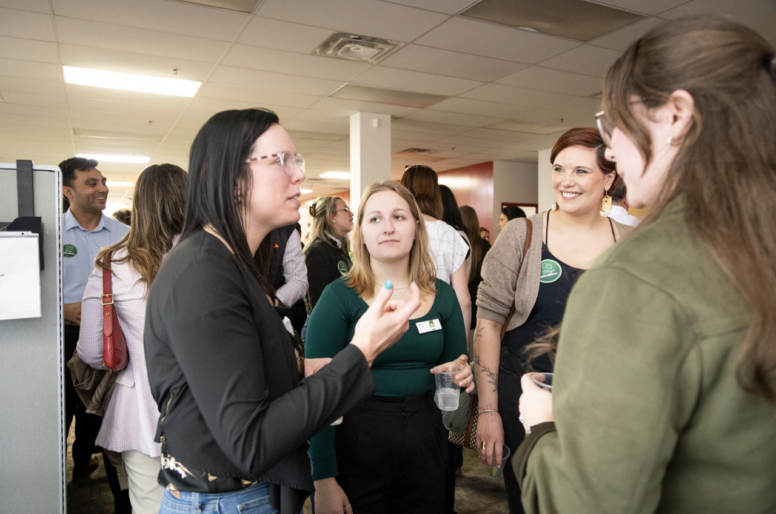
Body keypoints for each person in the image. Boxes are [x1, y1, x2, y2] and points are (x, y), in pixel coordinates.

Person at [515, 15, 776, 514]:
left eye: (614, 125)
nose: (611, 148)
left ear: (677, 115)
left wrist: (543, 430)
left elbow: (584, 503)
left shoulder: (638, 276)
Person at [143, 108, 422, 514]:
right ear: (228, 177)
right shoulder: (203, 270)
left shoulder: (231, 262)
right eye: (281, 161)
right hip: (228, 502)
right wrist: (362, 350)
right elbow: (249, 441)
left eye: (297, 161)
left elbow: (238, 385)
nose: (298, 175)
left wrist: (300, 374)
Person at [474, 127, 630, 514]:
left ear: (609, 177)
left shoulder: (630, 242)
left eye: (581, 171)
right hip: (523, 402)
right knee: (531, 502)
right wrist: (488, 411)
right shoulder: (522, 235)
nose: (566, 181)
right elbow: (488, 324)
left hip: (599, 404)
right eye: (559, 169)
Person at [306, 181, 473, 514]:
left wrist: (463, 374)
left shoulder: (443, 295)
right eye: (375, 219)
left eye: (399, 216)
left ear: (416, 228)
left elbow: (455, 368)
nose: (388, 227)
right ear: (361, 234)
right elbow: (318, 394)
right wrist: (323, 478)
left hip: (427, 435)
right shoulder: (338, 298)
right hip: (357, 436)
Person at [78, 163, 187, 514]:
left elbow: (94, 353)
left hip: (140, 405)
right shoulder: (211, 256)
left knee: (150, 503)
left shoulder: (112, 264)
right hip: (208, 404)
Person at [60, 156, 132, 511]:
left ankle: (118, 494)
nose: (102, 188)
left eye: (102, 181)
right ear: (67, 191)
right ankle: (57, 482)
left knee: (104, 413)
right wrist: (61, 310)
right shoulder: (52, 234)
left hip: (110, 343)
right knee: (61, 414)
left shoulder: (124, 236)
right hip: (60, 341)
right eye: (91, 183)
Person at [401, 165, 472, 331]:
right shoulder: (451, 234)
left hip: (400, 320)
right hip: (438, 324)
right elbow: (463, 300)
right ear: (435, 193)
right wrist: (461, 346)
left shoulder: (397, 229)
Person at [302, 196, 354, 340]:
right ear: (331, 216)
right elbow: (316, 300)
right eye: (345, 210)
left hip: (338, 325)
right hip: (324, 330)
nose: (352, 214)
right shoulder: (317, 251)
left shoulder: (338, 248)